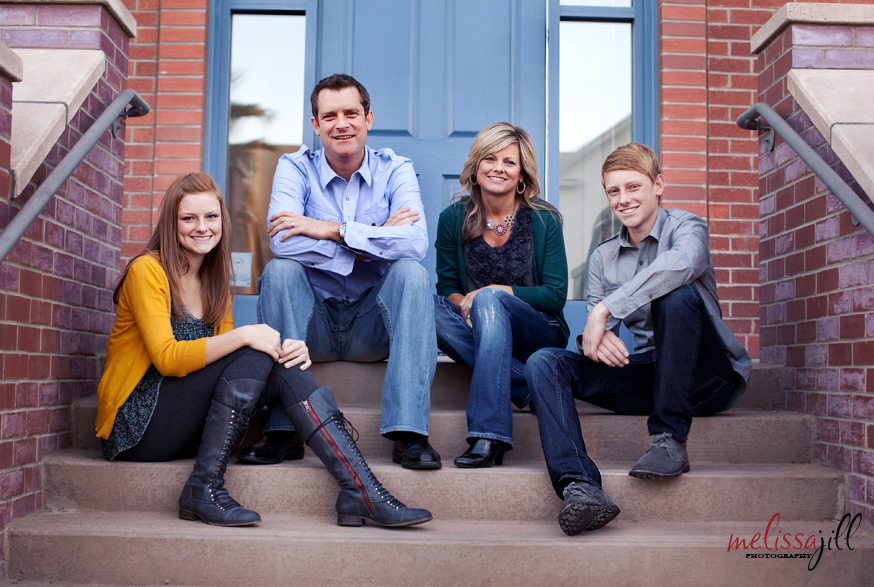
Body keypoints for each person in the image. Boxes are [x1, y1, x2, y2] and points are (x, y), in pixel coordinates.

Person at [94, 173, 432, 529]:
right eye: (188, 218)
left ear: (222, 221)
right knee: (254, 350)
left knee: (281, 359)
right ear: (171, 223)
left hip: (188, 424)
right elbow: (168, 358)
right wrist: (248, 336)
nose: (202, 227)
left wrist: (285, 349)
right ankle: (202, 487)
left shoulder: (213, 279)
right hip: (139, 426)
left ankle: (361, 490)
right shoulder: (148, 270)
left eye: (211, 217)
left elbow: (227, 365)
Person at [525, 143, 752, 536]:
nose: (623, 199)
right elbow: (596, 333)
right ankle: (580, 486)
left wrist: (605, 309)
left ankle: (669, 439)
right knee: (544, 361)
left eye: (633, 187)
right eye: (613, 191)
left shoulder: (688, 228)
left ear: (658, 185)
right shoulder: (603, 258)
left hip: (709, 378)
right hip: (652, 374)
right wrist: (595, 340)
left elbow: (682, 265)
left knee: (675, 293)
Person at [241, 74, 440, 470]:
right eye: (329, 116)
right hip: (310, 323)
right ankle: (284, 427)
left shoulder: (396, 169)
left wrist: (331, 230)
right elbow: (282, 242)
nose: (341, 124)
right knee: (280, 272)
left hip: (372, 325)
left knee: (412, 275)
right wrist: (374, 241)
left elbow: (415, 244)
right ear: (315, 125)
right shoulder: (294, 168)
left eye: (351, 113)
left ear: (368, 119)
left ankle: (409, 431)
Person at [434, 122, 569, 468]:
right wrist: (465, 305)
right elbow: (447, 287)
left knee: (490, 300)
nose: (498, 168)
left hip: (536, 330)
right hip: (477, 327)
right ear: (476, 166)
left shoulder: (545, 219)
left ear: (521, 174)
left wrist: (495, 293)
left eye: (509, 162)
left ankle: (489, 433)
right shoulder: (452, 219)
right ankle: (528, 383)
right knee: (424, 305)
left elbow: (555, 295)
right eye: (490, 159)